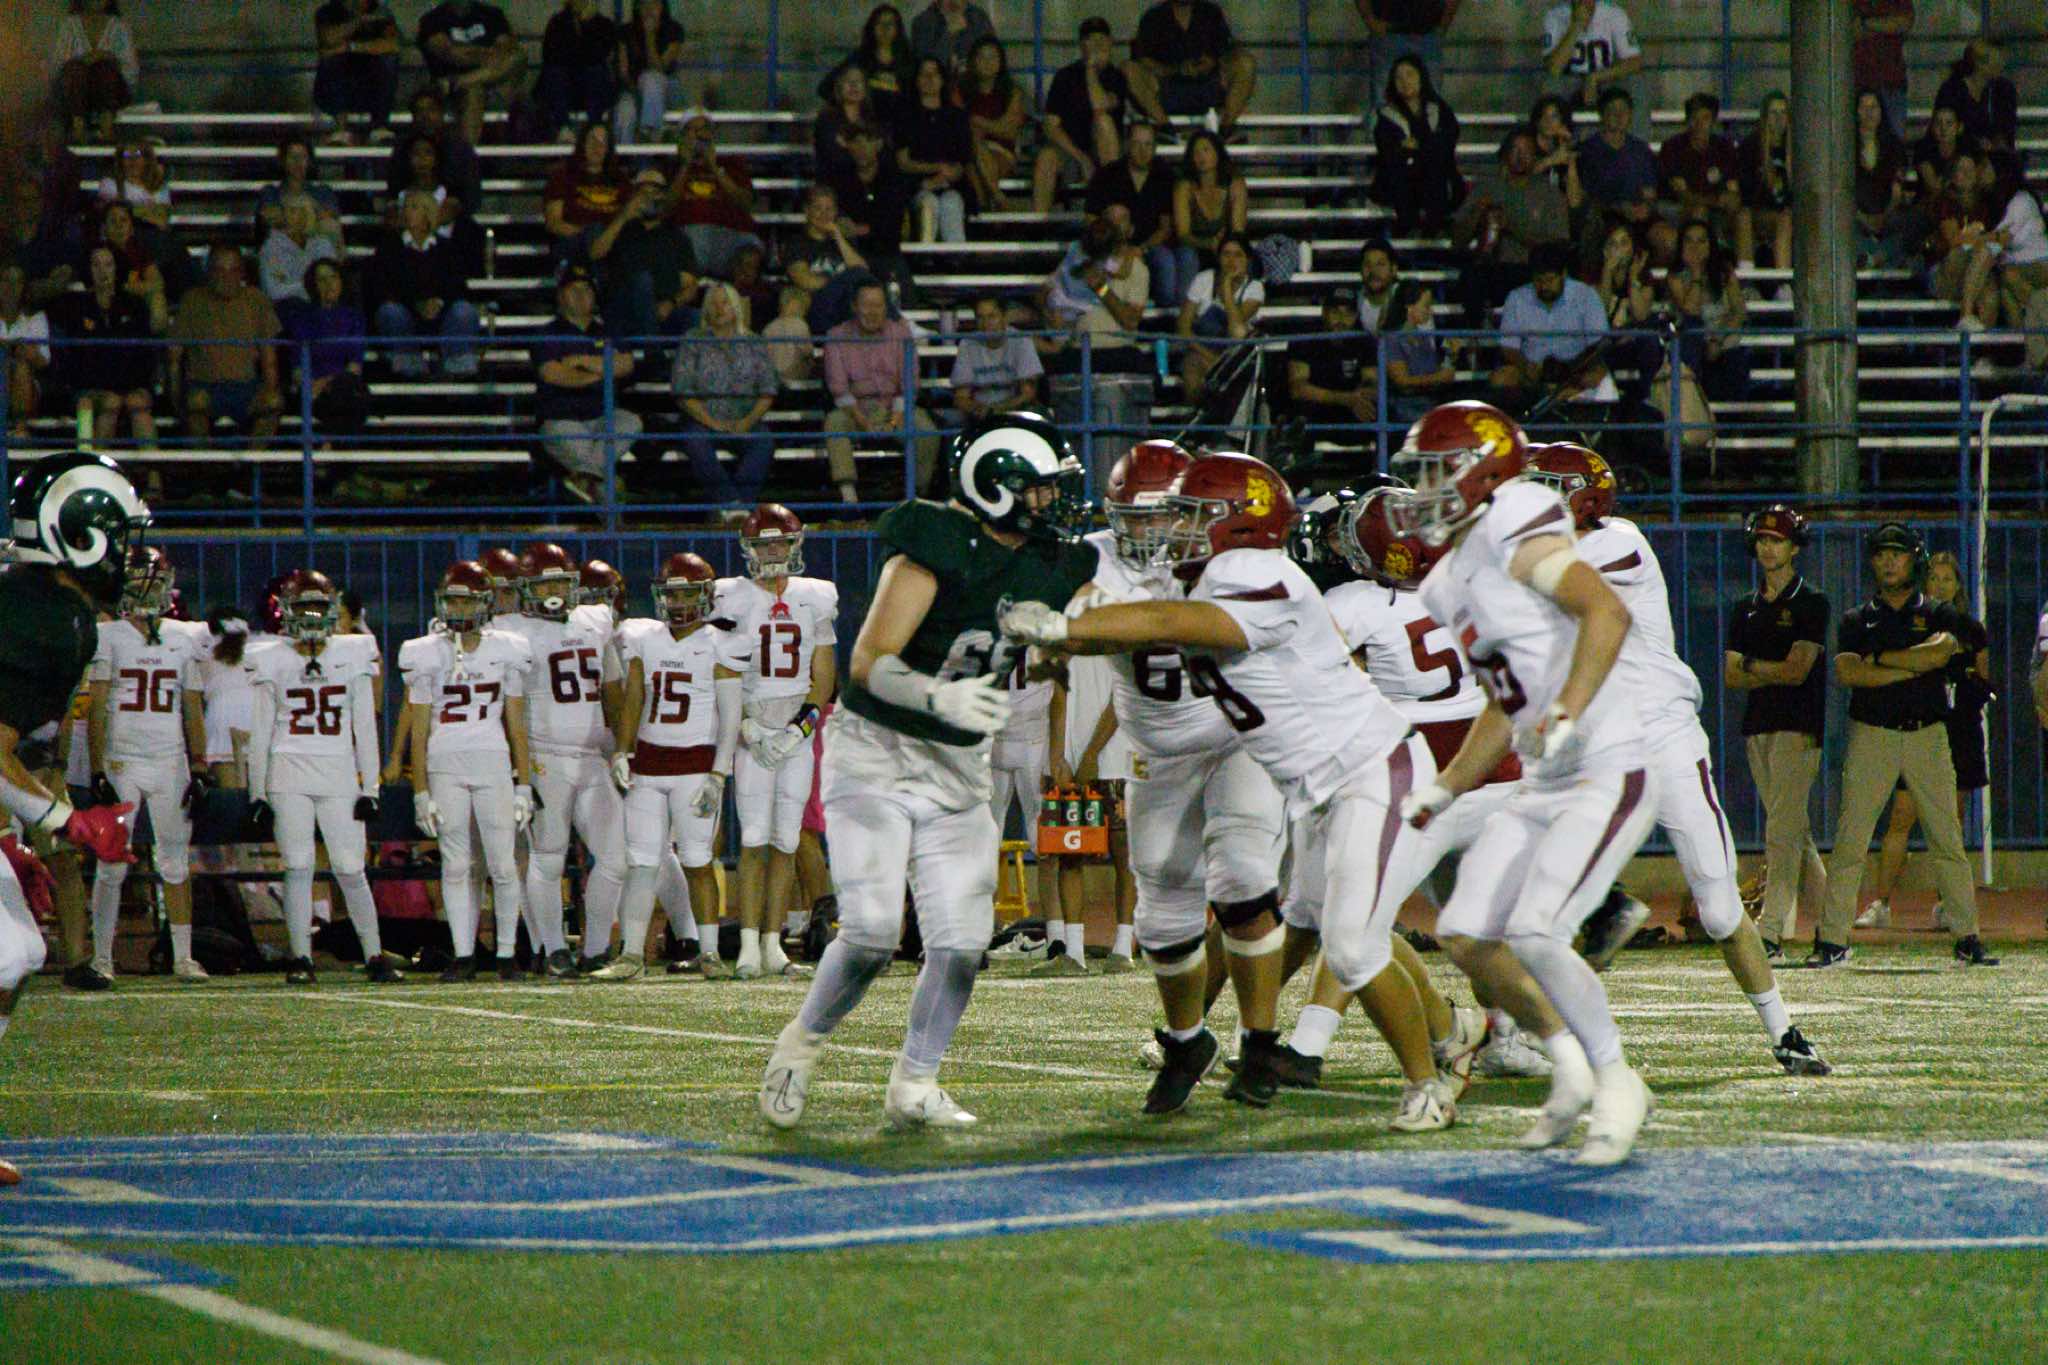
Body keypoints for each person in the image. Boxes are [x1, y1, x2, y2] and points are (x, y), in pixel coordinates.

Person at [1002, 451, 1467, 1128]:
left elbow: (1171, 624)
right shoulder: (1205, 571)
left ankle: (1429, 1083)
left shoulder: (1253, 573)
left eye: (1195, 516)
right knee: (1333, 929)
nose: (1179, 529)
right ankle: (1451, 1037)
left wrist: (1064, 627)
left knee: (1350, 943)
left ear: (1240, 524)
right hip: (1318, 785)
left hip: (1370, 771)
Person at [760, 414, 1099, 1132]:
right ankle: (799, 1045)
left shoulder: (1052, 561)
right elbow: (868, 660)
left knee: (963, 940)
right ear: (995, 486)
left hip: (959, 764)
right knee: (873, 931)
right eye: (1040, 487)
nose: (1053, 501)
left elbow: (1075, 632)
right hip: (876, 751)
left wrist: (1056, 638)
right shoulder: (935, 542)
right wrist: (937, 696)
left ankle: (915, 1080)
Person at [1389, 402, 1655, 1164]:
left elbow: (1605, 612)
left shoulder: (1516, 521)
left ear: (1483, 473)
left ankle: (1617, 1079)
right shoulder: (1445, 581)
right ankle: (1568, 1065)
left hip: (1605, 760)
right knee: (1466, 934)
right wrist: (1447, 786)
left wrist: (1568, 706)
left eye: (1436, 473)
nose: (1422, 491)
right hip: (1543, 777)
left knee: (1536, 930)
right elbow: (1504, 705)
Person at [1531, 445, 1828, 1075]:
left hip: (1662, 736)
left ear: (1584, 496)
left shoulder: (1619, 541)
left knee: (1718, 910)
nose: (1535, 498)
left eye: (1548, 486)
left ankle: (1783, 1031)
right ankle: (1526, 1021)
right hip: (1597, 742)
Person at [0, 450, 155, 1187]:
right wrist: (65, 821)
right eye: (119, 536)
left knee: (19, 951)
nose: (128, 554)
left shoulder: (33, 604)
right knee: (9, 952)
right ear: (80, 535)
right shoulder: (52, 622)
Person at [1811, 523, 1998, 968]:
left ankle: (1967, 934)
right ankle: (1832, 938)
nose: (1889, 562)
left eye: (1897, 553)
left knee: (1946, 838)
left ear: (1914, 559)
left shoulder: (1937, 612)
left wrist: (1880, 660)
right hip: (1872, 733)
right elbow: (1849, 672)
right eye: (1881, 554)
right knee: (1851, 838)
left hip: (1927, 734)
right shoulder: (1857, 618)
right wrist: (1914, 665)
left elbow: (1942, 651)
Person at [246, 571, 400, 985]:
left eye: (318, 608)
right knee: (298, 865)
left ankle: (374, 954)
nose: (311, 617)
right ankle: (301, 957)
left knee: (350, 867)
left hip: (338, 771)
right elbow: (261, 730)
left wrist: (370, 787)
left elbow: (365, 725)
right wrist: (257, 792)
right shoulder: (270, 656)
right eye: (304, 608)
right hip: (288, 772)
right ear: (285, 611)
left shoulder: (353, 650)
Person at [599, 553, 747, 979]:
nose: (679, 603)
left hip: (696, 766)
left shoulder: (721, 642)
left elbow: (730, 717)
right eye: (673, 594)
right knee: (642, 862)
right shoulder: (646, 639)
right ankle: (631, 956)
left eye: (687, 594)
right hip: (649, 764)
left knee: (698, 861)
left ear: (705, 596)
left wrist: (719, 773)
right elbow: (634, 699)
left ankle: (710, 953)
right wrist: (622, 750)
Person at [400, 560, 536, 980]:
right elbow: (419, 729)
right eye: (453, 601)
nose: (458, 609)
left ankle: (506, 955)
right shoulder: (424, 651)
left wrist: (524, 784)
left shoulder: (506, 648)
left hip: (493, 761)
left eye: (466, 600)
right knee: (456, 864)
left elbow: (516, 724)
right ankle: (463, 955)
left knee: (502, 863)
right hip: (444, 764)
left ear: (484, 602)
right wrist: (420, 790)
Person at [719, 506, 838, 979]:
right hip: (752, 728)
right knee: (753, 840)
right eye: (764, 544)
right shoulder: (731, 596)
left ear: (795, 545)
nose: (773, 552)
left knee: (787, 840)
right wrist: (745, 726)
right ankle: (748, 943)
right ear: (749, 549)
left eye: (780, 543)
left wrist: (798, 730)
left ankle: (774, 944)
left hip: (794, 735)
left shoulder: (815, 596)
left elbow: (823, 677)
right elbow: (722, 671)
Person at [500, 543, 625, 978]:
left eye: (559, 583)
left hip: (591, 757)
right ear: (526, 588)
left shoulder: (595, 620)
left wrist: (621, 747)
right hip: (544, 757)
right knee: (548, 856)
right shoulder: (512, 633)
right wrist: (519, 770)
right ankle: (553, 948)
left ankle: (594, 949)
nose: (553, 592)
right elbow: (509, 708)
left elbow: (613, 688)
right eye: (544, 584)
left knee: (615, 857)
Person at [85, 548, 209, 983]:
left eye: (154, 581)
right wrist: (98, 769)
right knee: (112, 862)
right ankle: (102, 957)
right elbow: (97, 706)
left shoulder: (183, 635)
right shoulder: (109, 634)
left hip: (170, 759)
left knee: (175, 860)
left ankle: (183, 956)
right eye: (139, 581)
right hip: (123, 758)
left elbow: (191, 707)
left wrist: (200, 766)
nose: (147, 590)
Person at [1855, 550, 1992, 934]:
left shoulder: (1970, 629)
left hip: (1959, 732)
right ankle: (1881, 902)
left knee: (1950, 821)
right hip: (1920, 729)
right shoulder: (1913, 624)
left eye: (1948, 579)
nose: (1941, 586)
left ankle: (1949, 903)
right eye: (1934, 578)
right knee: (1901, 815)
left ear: (1958, 585)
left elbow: (1982, 679)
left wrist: (1967, 686)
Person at [1723, 506, 1828, 960]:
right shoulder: (1744, 607)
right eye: (1763, 540)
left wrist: (1752, 666)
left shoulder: (1812, 602)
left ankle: (1770, 933)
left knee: (1781, 833)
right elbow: (1731, 675)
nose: (1768, 548)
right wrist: (1765, 669)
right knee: (1794, 833)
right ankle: (1833, 928)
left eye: (1777, 540)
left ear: (1795, 547)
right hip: (1758, 726)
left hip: (1797, 726)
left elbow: (1797, 671)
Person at [823, 280, 941, 503]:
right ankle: (849, 498)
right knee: (834, 423)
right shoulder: (836, 336)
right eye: (867, 305)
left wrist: (895, 420)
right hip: (855, 408)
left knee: (926, 430)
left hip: (894, 407)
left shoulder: (901, 334)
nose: (873, 312)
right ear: (854, 307)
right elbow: (838, 388)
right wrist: (862, 421)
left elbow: (909, 383)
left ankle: (916, 496)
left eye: (878, 305)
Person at [534, 268, 642, 501]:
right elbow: (554, 374)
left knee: (631, 422)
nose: (581, 295)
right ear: (561, 295)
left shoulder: (607, 330)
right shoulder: (548, 333)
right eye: (574, 289)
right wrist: (604, 371)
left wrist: (581, 361)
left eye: (587, 289)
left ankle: (585, 478)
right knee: (604, 478)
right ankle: (611, 514)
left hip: (604, 416)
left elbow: (626, 364)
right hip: (562, 419)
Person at [671, 283, 780, 508]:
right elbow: (682, 390)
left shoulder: (753, 342)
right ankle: (730, 503)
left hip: (745, 418)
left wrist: (747, 421)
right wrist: (712, 422)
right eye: (714, 303)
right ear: (706, 309)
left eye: (725, 303)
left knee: (764, 441)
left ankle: (738, 506)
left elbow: (768, 389)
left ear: (736, 307)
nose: (719, 309)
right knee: (695, 440)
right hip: (703, 420)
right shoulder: (693, 341)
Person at [1450, 130, 1574, 328]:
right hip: (1492, 268)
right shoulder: (1487, 188)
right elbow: (1457, 241)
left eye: (1526, 151)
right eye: (1515, 150)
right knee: (1471, 277)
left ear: (1535, 156)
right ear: (1505, 154)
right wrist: (1477, 212)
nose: (1520, 156)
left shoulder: (1549, 194)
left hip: (1531, 271)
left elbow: (1559, 245)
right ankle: (1476, 338)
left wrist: (1513, 229)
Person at [168, 246, 283, 446]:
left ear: (242, 272)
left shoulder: (256, 299)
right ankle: (206, 462)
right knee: (195, 402)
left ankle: (253, 460)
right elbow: (174, 357)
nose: (227, 277)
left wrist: (270, 389)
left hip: (246, 388)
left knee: (273, 402)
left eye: (233, 270)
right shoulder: (192, 300)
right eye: (220, 270)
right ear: (209, 272)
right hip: (204, 386)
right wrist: (175, 399)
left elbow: (269, 357)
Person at [50, 243, 160, 448]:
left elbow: (144, 353)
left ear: (117, 268)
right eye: (96, 265)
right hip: (89, 388)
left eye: (108, 265)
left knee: (137, 404)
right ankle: (95, 466)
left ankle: (154, 468)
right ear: (88, 269)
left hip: (131, 385)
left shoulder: (135, 305)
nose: (103, 272)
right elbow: (74, 358)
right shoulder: (74, 306)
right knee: (111, 402)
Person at [369, 188, 481, 379]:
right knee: (390, 312)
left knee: (464, 311)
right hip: (406, 315)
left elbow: (457, 285)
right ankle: (410, 367)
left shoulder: (447, 248)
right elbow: (382, 286)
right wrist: (416, 304)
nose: (407, 212)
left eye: (414, 207)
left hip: (441, 315)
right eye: (405, 207)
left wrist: (438, 302)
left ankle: (456, 367)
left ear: (428, 213)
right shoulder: (389, 247)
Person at [1489, 240, 1612, 405]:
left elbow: (1599, 343)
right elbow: (1508, 346)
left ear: (1563, 275)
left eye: (1550, 280)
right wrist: (1526, 366)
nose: (1544, 286)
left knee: (1597, 376)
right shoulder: (1517, 298)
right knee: (1501, 379)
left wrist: (1575, 367)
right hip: (1533, 371)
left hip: (1576, 368)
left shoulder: (1586, 295)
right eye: (1539, 280)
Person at [588, 168, 701, 346]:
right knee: (642, 281)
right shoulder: (618, 229)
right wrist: (624, 217)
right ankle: (653, 353)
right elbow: (594, 253)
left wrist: (671, 303)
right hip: (624, 310)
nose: (649, 198)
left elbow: (691, 285)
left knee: (696, 318)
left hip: (663, 309)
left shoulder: (677, 236)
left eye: (655, 192)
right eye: (643, 193)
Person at [1032, 18, 1131, 215]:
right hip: (1071, 151)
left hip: (1106, 152)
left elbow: (1100, 106)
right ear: (1081, 45)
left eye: (1101, 40)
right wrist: (1081, 158)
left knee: (1103, 122)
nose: (1097, 46)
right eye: (1091, 41)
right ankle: (1038, 224)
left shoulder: (1116, 77)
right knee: (1046, 157)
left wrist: (1090, 71)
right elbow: (1051, 126)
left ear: (1110, 43)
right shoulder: (1065, 76)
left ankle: (1111, 213)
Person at [1126, 0, 1256, 135]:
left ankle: (1225, 130)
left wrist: (1211, 63)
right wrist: (1176, 70)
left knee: (1245, 63)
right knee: (1129, 70)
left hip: (1208, 86)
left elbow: (1227, 51)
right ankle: (1166, 129)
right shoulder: (1153, 17)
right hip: (1168, 90)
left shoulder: (1211, 13)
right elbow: (1142, 60)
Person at [1083, 120, 1178, 306]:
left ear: (1155, 147)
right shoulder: (1107, 175)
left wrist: (1140, 249)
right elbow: (1091, 218)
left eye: (1148, 145)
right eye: (1136, 144)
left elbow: (1166, 227)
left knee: (1165, 263)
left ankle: (1162, 313)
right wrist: (1113, 246)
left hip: (1150, 246)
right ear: (1127, 145)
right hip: (1110, 248)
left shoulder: (1165, 176)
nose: (1143, 151)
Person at [1371, 56, 1465, 237]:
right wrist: (1420, 148)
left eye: (1410, 75)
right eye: (1399, 77)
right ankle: (1410, 226)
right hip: (1401, 183)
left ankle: (1433, 227)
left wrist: (1415, 147)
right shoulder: (1386, 115)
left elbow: (1447, 143)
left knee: (1434, 167)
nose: (1405, 81)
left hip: (1435, 179)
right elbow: (1387, 150)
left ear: (1421, 77)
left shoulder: (1440, 110)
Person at [665, 109, 763, 279]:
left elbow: (746, 203)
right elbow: (665, 207)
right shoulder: (671, 167)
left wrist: (715, 168)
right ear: (683, 136)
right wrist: (685, 166)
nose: (699, 136)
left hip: (729, 234)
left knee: (749, 255)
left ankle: (740, 295)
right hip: (688, 234)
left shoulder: (731, 163)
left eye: (704, 129)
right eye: (692, 130)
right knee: (692, 243)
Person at [415, 0, 527, 144]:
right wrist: (487, 53)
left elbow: (506, 50)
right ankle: (468, 153)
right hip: (450, 91)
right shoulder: (432, 20)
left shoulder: (493, 15)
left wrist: (471, 55)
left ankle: (462, 81)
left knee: (519, 57)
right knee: (474, 91)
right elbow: (452, 54)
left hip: (490, 85)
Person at [1664, 217, 1750, 401]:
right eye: (1689, 241)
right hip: (1690, 341)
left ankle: (1733, 415)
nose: (1695, 247)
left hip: (1722, 338)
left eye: (1701, 241)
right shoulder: (1675, 276)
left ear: (1711, 245)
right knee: (1691, 345)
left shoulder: (1725, 272)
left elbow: (1739, 312)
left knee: (1734, 359)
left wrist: (1717, 340)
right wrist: (1696, 273)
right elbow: (1690, 311)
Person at [283, 258, 369, 439]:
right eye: (322, 279)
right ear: (313, 285)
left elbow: (355, 365)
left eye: (333, 277)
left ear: (341, 281)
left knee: (345, 392)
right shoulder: (302, 318)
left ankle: (329, 444)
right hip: (312, 388)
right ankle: (334, 447)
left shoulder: (354, 317)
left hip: (342, 385)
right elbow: (297, 366)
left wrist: (327, 383)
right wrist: (312, 385)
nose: (328, 284)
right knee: (343, 403)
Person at [827, 126, 917, 299]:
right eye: (856, 143)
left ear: (878, 145)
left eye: (866, 143)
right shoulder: (839, 178)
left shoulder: (893, 178)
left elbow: (892, 224)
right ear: (848, 146)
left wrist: (860, 229)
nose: (861, 149)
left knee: (903, 291)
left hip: (885, 252)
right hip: (848, 250)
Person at [1577, 88, 1667, 260]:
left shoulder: (1641, 150)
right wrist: (1618, 208)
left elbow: (1650, 192)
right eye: (1613, 111)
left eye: (1624, 111)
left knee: (1667, 239)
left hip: (1638, 217)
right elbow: (1584, 198)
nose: (1619, 116)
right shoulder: (1587, 151)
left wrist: (1646, 207)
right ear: (1602, 115)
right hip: (1604, 218)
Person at [1176, 233, 1262, 403]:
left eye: (1238, 255)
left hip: (1234, 355)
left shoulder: (1255, 288)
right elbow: (1183, 327)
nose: (1231, 261)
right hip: (1200, 350)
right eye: (1226, 254)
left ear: (1247, 260)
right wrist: (1210, 357)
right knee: (1192, 366)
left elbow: (1236, 326)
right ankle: (1199, 410)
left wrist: (1226, 286)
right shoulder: (1203, 279)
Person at [384, 88, 483, 236]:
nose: (425, 116)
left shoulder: (460, 149)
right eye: (419, 111)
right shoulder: (402, 148)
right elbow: (394, 191)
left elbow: (471, 195)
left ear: (442, 113)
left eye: (431, 109)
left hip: (452, 220)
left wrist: (449, 209)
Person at [778, 183, 873, 334]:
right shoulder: (796, 243)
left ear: (836, 212)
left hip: (845, 306)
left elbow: (863, 273)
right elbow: (805, 280)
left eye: (829, 209)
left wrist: (837, 236)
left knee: (871, 293)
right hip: (816, 305)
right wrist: (842, 283)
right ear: (807, 210)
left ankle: (898, 328)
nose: (824, 214)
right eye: (818, 208)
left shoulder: (843, 241)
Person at [895, 58, 972, 243]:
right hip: (915, 185)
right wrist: (934, 171)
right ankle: (926, 255)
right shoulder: (905, 115)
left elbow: (962, 162)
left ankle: (956, 257)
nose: (929, 78)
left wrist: (947, 175)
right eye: (924, 74)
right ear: (916, 80)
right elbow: (902, 161)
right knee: (928, 203)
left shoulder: (957, 116)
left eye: (934, 73)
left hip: (950, 185)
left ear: (942, 79)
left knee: (952, 202)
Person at [1284, 291, 1377, 443]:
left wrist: (1363, 394)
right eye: (1335, 312)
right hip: (1318, 409)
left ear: (1356, 316)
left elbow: (1372, 379)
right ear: (1324, 313)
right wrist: (1345, 398)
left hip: (1353, 407)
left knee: (1383, 412)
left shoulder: (1364, 340)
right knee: (1300, 416)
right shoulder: (1304, 338)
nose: (1341, 320)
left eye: (1348, 314)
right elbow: (1298, 389)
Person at [544, 121, 634, 271]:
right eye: (592, 139)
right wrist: (587, 234)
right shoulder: (563, 176)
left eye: (603, 142)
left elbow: (629, 219)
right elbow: (554, 223)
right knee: (595, 232)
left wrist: (606, 237)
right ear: (583, 143)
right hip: (574, 243)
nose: (597, 146)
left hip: (613, 245)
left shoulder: (620, 181)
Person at [1172, 129, 1247, 308]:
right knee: (1187, 256)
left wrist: (1221, 246)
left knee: (1236, 256)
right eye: (1196, 152)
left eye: (1206, 150)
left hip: (1225, 246)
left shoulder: (1235, 184)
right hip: (1195, 248)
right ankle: (1189, 310)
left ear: (1218, 153)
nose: (1201, 156)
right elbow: (1183, 234)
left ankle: (1231, 308)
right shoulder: (1184, 187)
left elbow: (1238, 231)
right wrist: (1209, 243)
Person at [1542, 0, 1642, 128]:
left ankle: (1638, 139)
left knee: (1636, 83)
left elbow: (1634, 62)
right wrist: (1576, 27)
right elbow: (1553, 68)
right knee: (1551, 84)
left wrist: (1595, 77)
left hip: (1605, 78)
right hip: (1569, 80)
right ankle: (1553, 139)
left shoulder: (1614, 13)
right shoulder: (1555, 15)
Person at [1658, 94, 1742, 246]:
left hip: (1717, 210)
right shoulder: (1673, 147)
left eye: (1705, 118)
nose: (1699, 124)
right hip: (1679, 208)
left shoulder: (1725, 147)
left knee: (1742, 213)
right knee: (1699, 211)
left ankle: (1737, 258)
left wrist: (1729, 199)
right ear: (1687, 120)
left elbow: (1733, 189)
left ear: (1713, 121)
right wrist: (1714, 201)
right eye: (1694, 118)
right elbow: (1682, 194)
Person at [313, 0, 401, 143]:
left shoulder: (381, 14)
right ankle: (341, 129)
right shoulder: (328, 12)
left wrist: (351, 47)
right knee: (333, 62)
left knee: (389, 61)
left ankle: (379, 126)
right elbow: (328, 43)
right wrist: (358, 21)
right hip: (335, 88)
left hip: (369, 84)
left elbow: (392, 46)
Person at [956, 36, 1027, 212]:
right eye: (982, 57)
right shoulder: (960, 91)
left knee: (973, 163)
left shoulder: (1012, 92)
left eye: (992, 57)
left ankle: (983, 209)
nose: (988, 62)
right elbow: (957, 125)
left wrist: (977, 121)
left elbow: (1009, 131)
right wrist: (990, 127)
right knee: (971, 158)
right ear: (973, 61)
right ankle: (996, 198)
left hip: (1001, 152)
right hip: (967, 153)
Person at [51, 0, 140, 142]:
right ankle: (78, 128)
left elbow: (131, 70)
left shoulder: (119, 26)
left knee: (104, 69)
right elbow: (57, 64)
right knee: (75, 70)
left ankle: (107, 128)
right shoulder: (69, 25)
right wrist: (84, 61)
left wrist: (106, 58)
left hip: (112, 91)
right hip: (75, 89)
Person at [1380, 279, 1465, 420]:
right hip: (1403, 408)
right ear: (1409, 306)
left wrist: (1450, 357)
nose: (1430, 311)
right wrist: (1438, 377)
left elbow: (1436, 376)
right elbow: (1402, 382)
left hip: (1429, 404)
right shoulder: (1391, 339)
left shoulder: (1423, 337)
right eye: (1426, 306)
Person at [949, 295, 1042, 424]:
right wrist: (980, 410)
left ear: (1004, 318)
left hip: (1015, 414)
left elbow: (1028, 394)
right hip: (979, 415)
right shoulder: (967, 343)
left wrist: (997, 410)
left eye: (992, 316)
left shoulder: (1022, 341)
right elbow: (961, 396)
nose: (986, 323)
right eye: (980, 317)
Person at [535, 0, 619, 142]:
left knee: (596, 72)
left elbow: (597, 56)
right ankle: (564, 128)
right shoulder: (557, 23)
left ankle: (593, 128)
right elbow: (552, 57)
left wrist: (586, 26)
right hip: (564, 88)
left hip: (592, 89)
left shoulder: (604, 24)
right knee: (555, 73)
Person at [1855, 87, 1916, 270]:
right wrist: (1863, 218)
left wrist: (1884, 216)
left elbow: (1898, 189)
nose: (1869, 112)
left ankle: (1876, 258)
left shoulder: (1894, 146)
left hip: (1888, 214)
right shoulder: (1845, 146)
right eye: (1864, 107)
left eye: (1873, 107)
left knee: (1913, 223)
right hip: (1856, 216)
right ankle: (1880, 256)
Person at [827, 6, 917, 126]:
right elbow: (827, 87)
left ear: (898, 28)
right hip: (867, 126)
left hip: (902, 125)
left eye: (890, 24)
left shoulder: (909, 60)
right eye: (879, 23)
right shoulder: (859, 58)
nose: (885, 29)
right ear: (872, 27)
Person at [257, 193, 341, 321]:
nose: (300, 217)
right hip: (286, 315)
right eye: (292, 211)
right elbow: (274, 292)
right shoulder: (271, 248)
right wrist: (312, 284)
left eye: (304, 211)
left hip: (324, 311)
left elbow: (333, 284)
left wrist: (294, 285)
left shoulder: (322, 244)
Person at [1935, 37, 2017, 167]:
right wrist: (1975, 142)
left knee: (2009, 162)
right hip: (1959, 150)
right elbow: (1944, 125)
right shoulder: (1951, 90)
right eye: (1997, 61)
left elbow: (2007, 126)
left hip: (1992, 152)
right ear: (1979, 64)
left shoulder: (2004, 90)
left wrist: (1998, 141)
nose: (2002, 65)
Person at [1359, 0, 1461, 104]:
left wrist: (1444, 22)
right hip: (1389, 35)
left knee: (1430, 101)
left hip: (1427, 35)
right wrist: (1370, 20)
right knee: (1384, 99)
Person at [612, 0, 685, 143]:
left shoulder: (674, 30)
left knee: (650, 78)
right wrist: (636, 91)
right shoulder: (625, 31)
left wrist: (649, 37)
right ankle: (626, 153)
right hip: (633, 89)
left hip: (665, 88)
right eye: (644, 3)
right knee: (625, 110)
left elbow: (660, 68)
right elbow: (623, 72)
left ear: (662, 6)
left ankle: (650, 133)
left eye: (654, 4)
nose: (649, 9)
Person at [1738, 91, 1794, 269]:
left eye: (1783, 112)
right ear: (1765, 117)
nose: (1779, 118)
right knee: (1744, 216)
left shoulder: (1799, 148)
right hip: (1762, 211)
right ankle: (1747, 274)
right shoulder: (1750, 146)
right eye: (1773, 112)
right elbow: (1747, 193)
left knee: (1786, 218)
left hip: (1790, 214)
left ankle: (1783, 280)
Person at [258, 136, 345, 244]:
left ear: (309, 161)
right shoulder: (271, 192)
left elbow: (330, 220)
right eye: (292, 156)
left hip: (315, 246)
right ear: (283, 161)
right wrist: (308, 215)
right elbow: (271, 220)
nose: (297, 162)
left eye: (303, 157)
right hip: (282, 246)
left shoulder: (323, 192)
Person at [0, 265, 52, 437]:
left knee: (21, 368)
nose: (10, 287)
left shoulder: (36, 318)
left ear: (24, 287)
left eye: (17, 282)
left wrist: (27, 353)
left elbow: (44, 361)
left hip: (27, 384)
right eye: (6, 281)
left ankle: (20, 430)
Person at [1853, 0, 1914, 138]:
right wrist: (1885, 25)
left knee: (1895, 141)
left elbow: (1904, 22)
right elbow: (1847, 29)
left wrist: (1866, 23)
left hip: (1891, 83)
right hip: (1857, 85)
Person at [815, 63, 881, 189]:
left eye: (858, 81)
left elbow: (880, 150)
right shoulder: (827, 118)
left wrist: (848, 145)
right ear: (839, 86)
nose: (853, 85)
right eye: (848, 81)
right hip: (835, 182)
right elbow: (830, 154)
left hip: (871, 181)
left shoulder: (874, 118)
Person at [96, 139, 171, 233]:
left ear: (146, 159)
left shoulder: (159, 186)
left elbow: (162, 220)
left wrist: (131, 210)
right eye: (127, 156)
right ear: (120, 160)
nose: (133, 160)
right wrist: (145, 212)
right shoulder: (109, 184)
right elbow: (112, 215)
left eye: (138, 155)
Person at [908, 0, 994, 75]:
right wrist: (949, 36)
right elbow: (925, 68)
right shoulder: (923, 22)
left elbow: (993, 56)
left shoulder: (979, 18)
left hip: (973, 83)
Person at [1356, 239, 1402, 333]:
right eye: (1367, 265)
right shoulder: (1355, 304)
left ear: (1393, 269)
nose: (1373, 271)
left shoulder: (1409, 299)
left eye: (1380, 264)